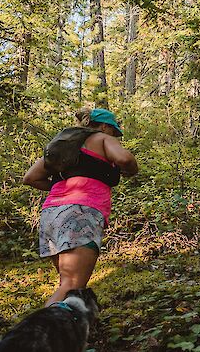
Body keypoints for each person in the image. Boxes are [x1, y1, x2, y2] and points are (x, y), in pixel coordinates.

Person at [23, 108, 138, 305]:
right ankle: (40, 333)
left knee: (68, 285)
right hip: (81, 212)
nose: (115, 136)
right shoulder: (101, 138)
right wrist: (132, 169)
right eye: (114, 131)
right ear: (103, 126)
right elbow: (125, 159)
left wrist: (66, 185)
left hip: (51, 213)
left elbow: (30, 177)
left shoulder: (64, 146)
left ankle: (69, 331)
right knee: (71, 286)